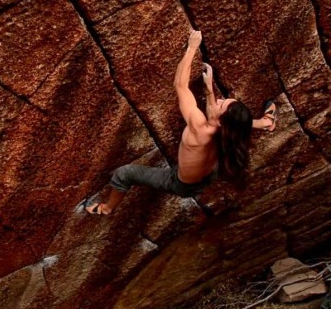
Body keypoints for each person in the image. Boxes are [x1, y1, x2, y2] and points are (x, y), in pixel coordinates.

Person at [86, 29, 277, 215]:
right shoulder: (226, 132)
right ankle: (267, 123)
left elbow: (180, 85)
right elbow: (223, 121)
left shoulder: (199, 126)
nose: (218, 100)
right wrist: (209, 90)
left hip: (181, 183)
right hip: (209, 173)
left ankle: (107, 208)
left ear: (219, 120)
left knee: (124, 174)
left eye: (221, 103)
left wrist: (192, 47)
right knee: (237, 124)